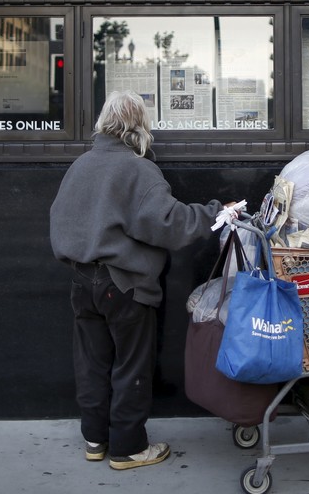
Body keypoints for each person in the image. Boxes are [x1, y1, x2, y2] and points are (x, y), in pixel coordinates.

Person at [49, 90, 232, 471]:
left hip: (83, 282)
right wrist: (216, 213)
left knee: (93, 365)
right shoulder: (137, 169)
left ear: (104, 123)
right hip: (125, 285)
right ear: (138, 126)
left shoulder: (80, 165)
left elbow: (58, 220)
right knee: (131, 366)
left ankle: (95, 440)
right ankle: (128, 448)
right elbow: (169, 223)